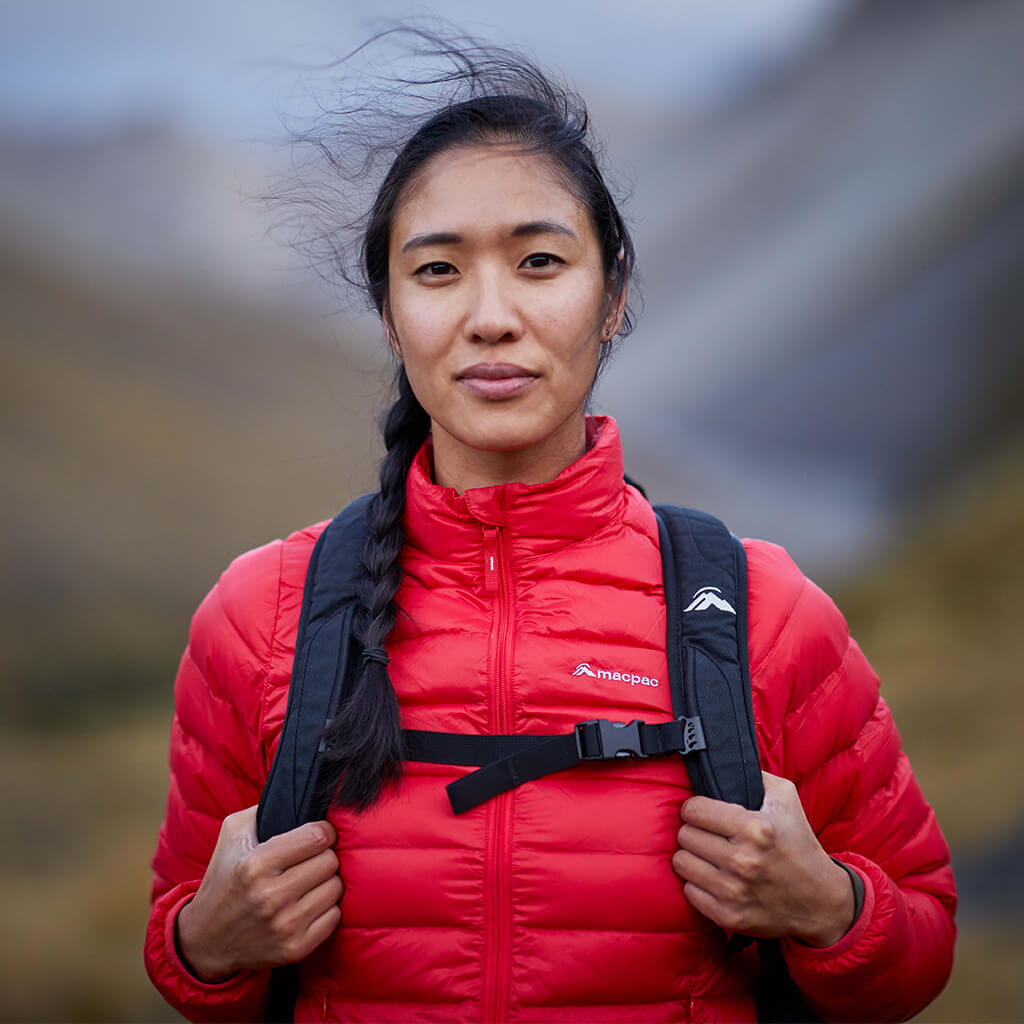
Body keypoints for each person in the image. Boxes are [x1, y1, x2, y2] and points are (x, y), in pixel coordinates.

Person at [144, 30, 956, 1023]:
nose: (491, 315)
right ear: (392, 316)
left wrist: (831, 910)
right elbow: (193, 954)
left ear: (610, 296)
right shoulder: (259, 616)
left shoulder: (762, 614)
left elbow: (919, 950)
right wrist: (205, 945)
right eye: (437, 271)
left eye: (538, 261)